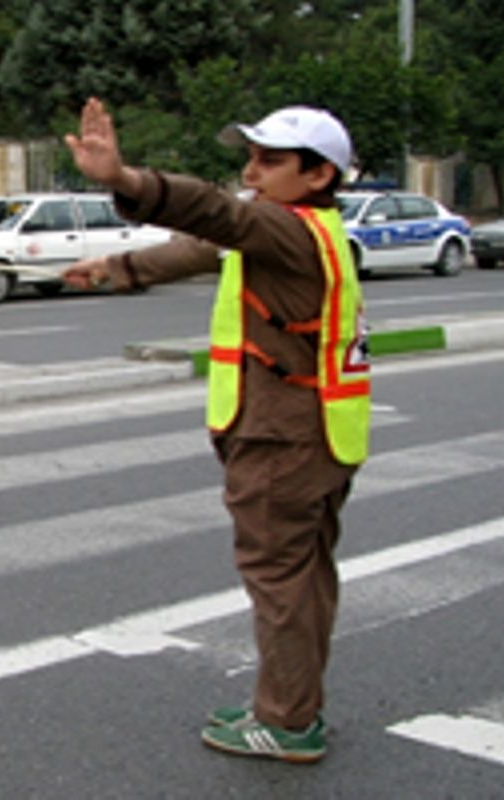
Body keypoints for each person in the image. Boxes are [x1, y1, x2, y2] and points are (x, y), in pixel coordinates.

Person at [63, 99, 370, 764]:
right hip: (320, 435)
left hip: (282, 439)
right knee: (305, 575)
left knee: (279, 577)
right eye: (250, 157)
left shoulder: (285, 231)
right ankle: (295, 705)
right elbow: (204, 246)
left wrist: (124, 179)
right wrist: (117, 269)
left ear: (318, 176)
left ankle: (287, 722)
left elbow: (212, 212)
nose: (252, 171)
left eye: (270, 160)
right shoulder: (311, 230)